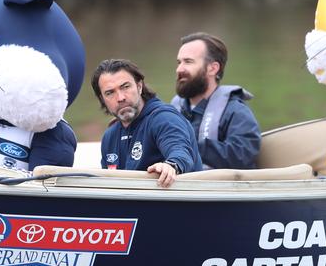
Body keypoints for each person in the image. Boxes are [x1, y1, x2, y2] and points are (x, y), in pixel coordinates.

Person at [91, 58, 202, 188]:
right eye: (110, 93)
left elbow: (180, 151)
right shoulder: (110, 136)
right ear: (102, 99)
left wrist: (171, 165)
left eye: (125, 87)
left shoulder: (164, 118)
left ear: (139, 86)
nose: (121, 98)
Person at [172, 32, 261, 170]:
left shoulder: (235, 111)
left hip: (214, 188)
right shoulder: (172, 109)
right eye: (179, 62)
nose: (179, 69)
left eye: (188, 62)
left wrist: (190, 144)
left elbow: (241, 156)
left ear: (213, 68)